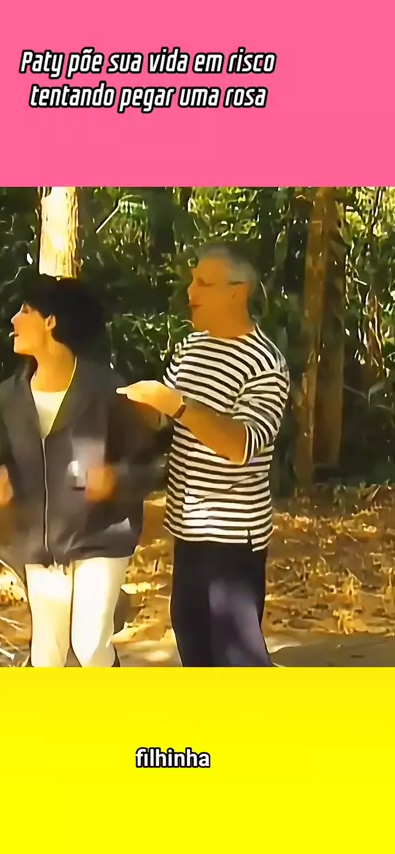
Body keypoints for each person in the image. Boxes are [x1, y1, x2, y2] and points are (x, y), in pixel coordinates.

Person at [117, 242, 290, 667]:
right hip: (188, 528)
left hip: (232, 539)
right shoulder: (191, 348)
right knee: (193, 641)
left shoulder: (265, 364)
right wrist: (138, 405)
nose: (190, 291)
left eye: (204, 283)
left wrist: (176, 405)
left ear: (237, 292)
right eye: (193, 281)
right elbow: (164, 419)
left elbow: (241, 446)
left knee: (238, 658)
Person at [0, 270, 159, 668]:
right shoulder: (10, 395)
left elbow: (150, 464)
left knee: (90, 646)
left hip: (101, 537)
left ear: (51, 321)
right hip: (42, 543)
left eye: (25, 310)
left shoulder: (106, 390)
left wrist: (115, 479)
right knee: (47, 655)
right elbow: (0, 456)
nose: (14, 320)